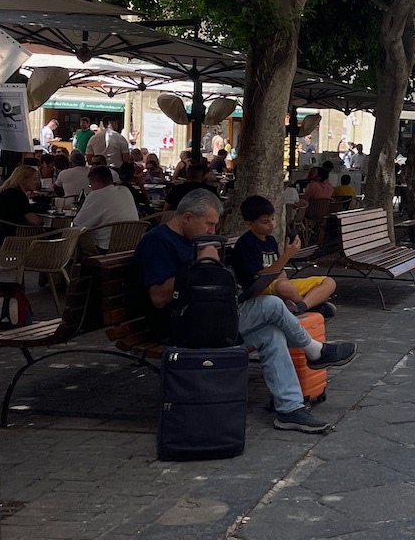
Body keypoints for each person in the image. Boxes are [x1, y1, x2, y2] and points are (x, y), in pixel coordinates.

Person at [135, 190, 355, 432]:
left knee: (272, 333)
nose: (211, 231)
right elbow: (158, 298)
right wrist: (200, 265)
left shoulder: (194, 240)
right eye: (209, 224)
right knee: (272, 304)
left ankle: (290, 409)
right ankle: (315, 351)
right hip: (181, 327)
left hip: (210, 320)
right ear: (187, 217)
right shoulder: (157, 242)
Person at [233, 195, 338, 316]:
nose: (272, 224)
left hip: (279, 283)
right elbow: (262, 277)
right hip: (258, 289)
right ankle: (313, 303)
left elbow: (280, 271)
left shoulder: (270, 240)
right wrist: (287, 255)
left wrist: (283, 271)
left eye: (273, 219)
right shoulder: (246, 243)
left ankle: (301, 307)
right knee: (284, 286)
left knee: (328, 282)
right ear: (250, 224)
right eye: (265, 222)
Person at [73, 166, 140, 252]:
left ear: (97, 182)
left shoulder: (96, 195)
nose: (91, 188)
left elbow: (78, 224)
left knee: (77, 234)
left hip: (107, 247)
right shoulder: (125, 190)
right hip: (132, 243)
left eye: (90, 185)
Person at [0, 166, 45, 237]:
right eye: (34, 179)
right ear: (23, 180)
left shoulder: (4, 192)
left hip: (2, 235)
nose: (37, 182)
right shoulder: (19, 196)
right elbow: (34, 221)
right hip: (19, 238)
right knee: (60, 233)